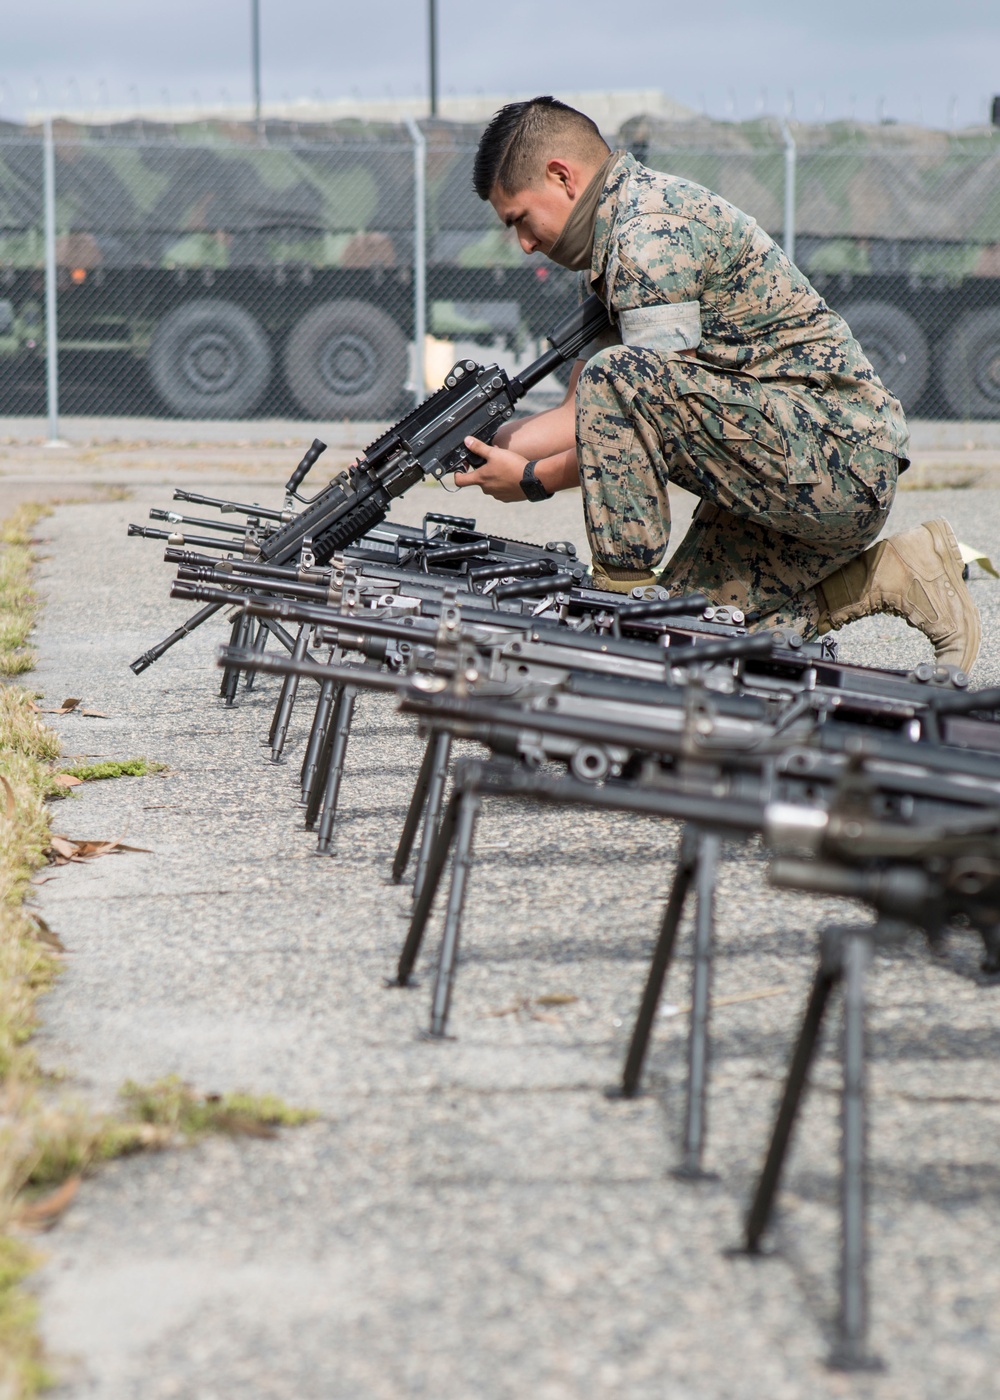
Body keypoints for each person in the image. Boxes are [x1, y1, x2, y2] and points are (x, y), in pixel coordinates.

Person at [453, 96, 980, 673]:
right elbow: (584, 412)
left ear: (561, 176)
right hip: (783, 465)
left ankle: (619, 612)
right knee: (688, 638)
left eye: (520, 220)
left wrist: (531, 481)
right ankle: (900, 573)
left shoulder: (650, 234)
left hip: (838, 460)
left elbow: (630, 404)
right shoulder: (610, 245)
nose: (524, 244)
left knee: (635, 639)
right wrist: (478, 442)